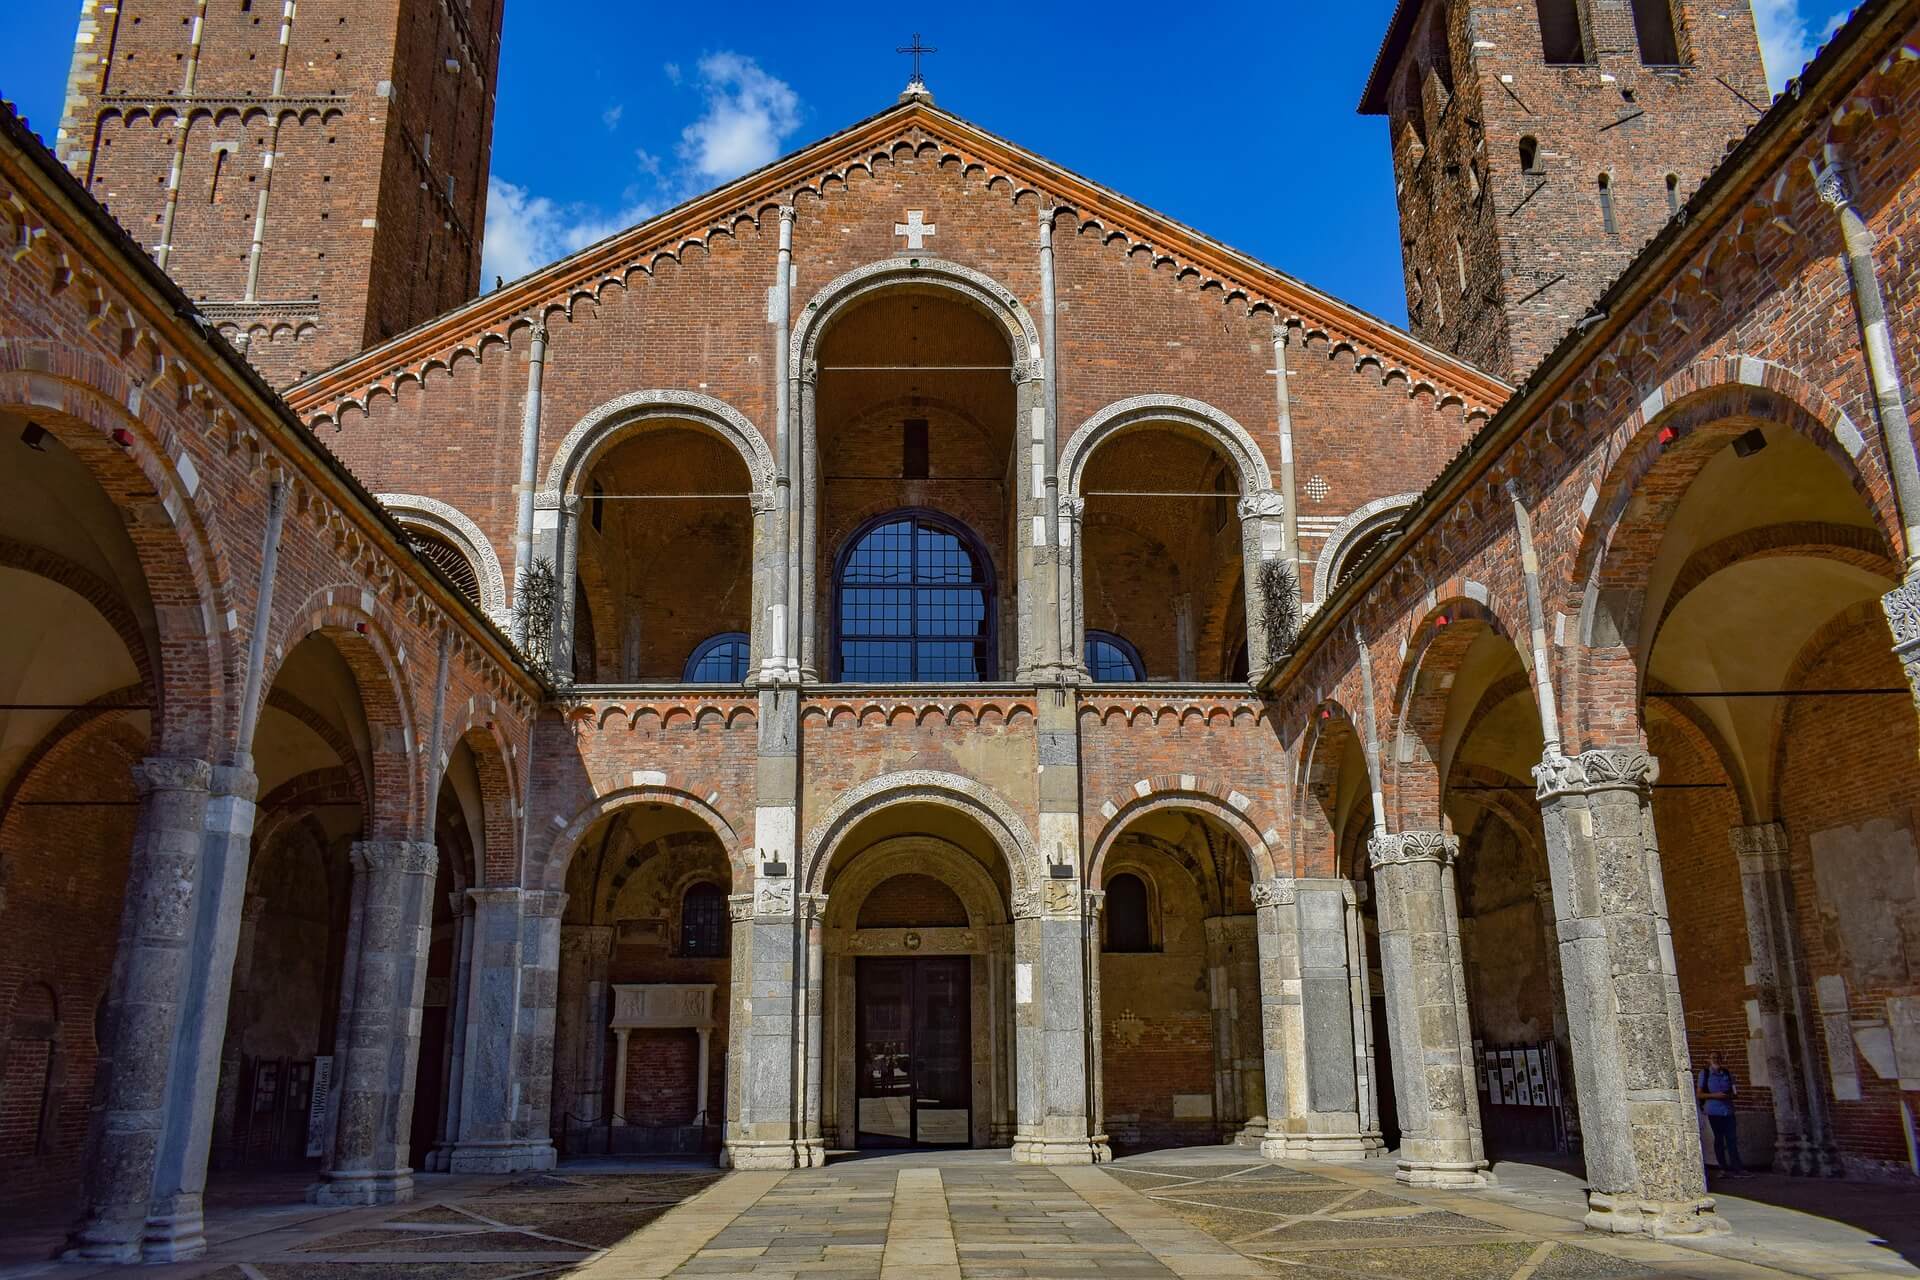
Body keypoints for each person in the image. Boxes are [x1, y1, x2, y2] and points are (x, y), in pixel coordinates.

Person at [1696, 1051, 1746, 1176]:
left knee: (1732, 1139)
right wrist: (1715, 1095)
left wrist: (1729, 1095)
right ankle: (1723, 1168)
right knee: (1719, 1139)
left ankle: (1737, 1167)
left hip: (1728, 1110)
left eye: (1718, 1058)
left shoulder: (1727, 1073)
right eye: (1713, 1058)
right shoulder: (1705, 1074)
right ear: (1709, 1060)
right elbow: (1699, 1094)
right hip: (1714, 1111)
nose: (1716, 1060)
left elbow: (1735, 1092)